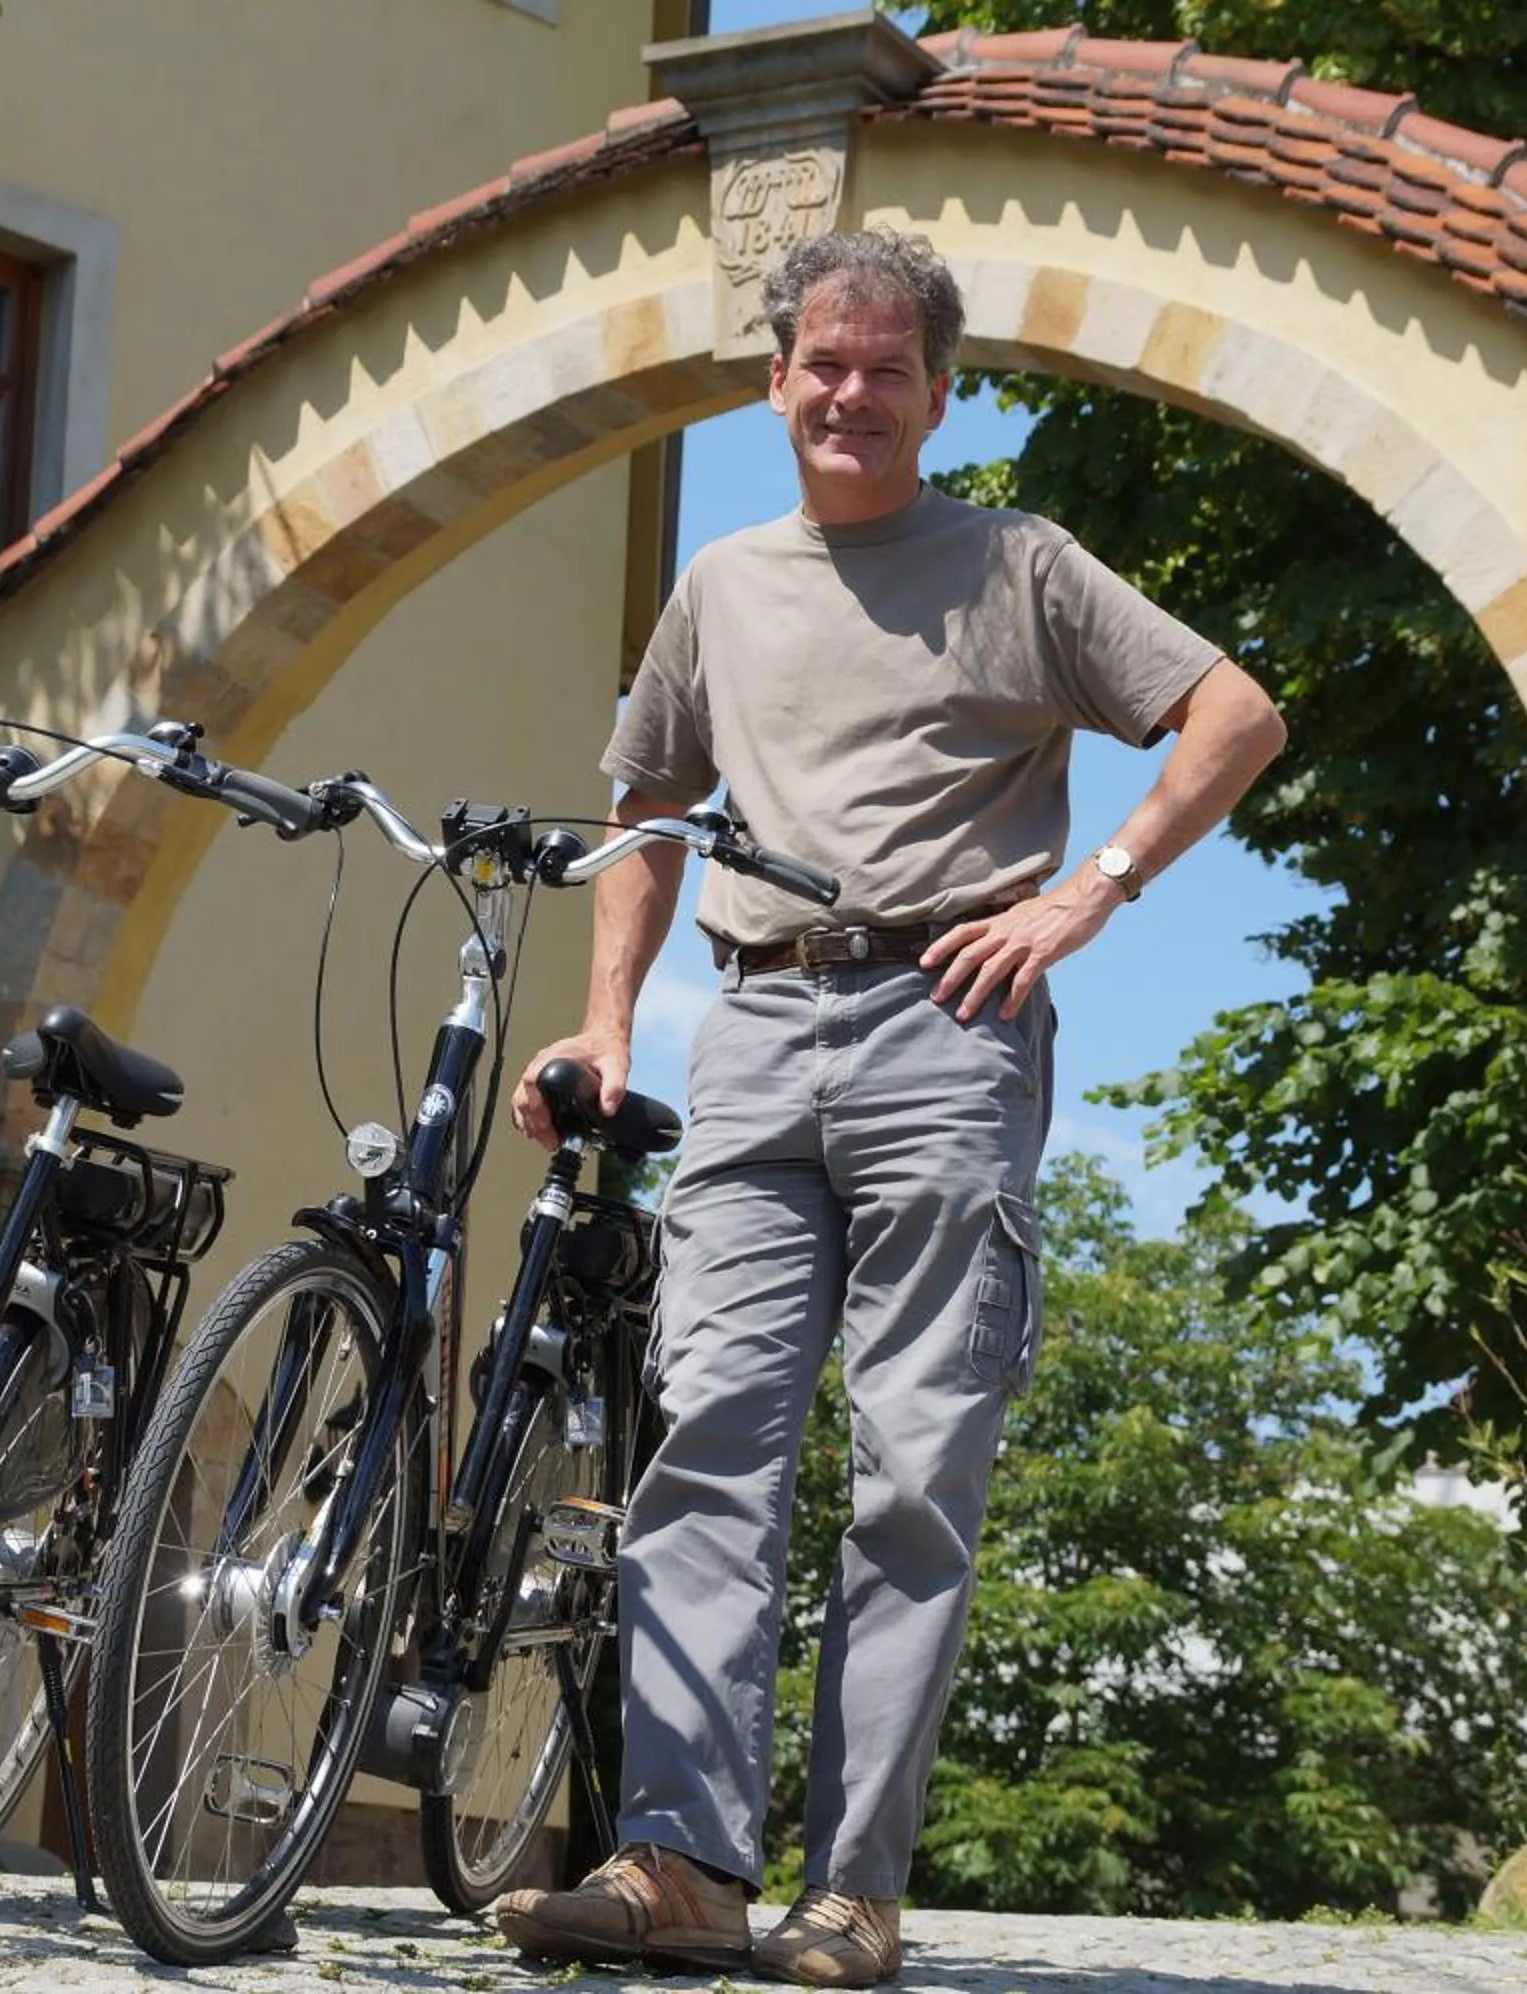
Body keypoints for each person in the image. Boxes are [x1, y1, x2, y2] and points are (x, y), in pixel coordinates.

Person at [495, 228, 1286, 1986]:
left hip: (950, 1021)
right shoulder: (721, 583)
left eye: (888, 369)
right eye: (825, 364)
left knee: (914, 1468)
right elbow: (646, 808)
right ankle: (683, 1866)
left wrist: (1089, 893)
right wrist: (609, 1025)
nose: (852, 393)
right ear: (776, 380)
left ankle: (853, 1890)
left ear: (939, 394)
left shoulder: (1019, 563)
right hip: (755, 1033)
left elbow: (1236, 713)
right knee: (704, 1440)